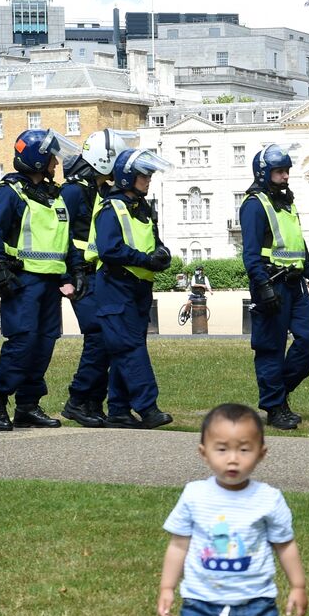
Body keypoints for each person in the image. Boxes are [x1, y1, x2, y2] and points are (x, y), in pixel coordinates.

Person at [157, 403, 308, 616]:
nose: (233, 460)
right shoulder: (194, 495)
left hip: (256, 607)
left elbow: (285, 545)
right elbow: (179, 545)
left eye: (244, 449)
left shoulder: (269, 500)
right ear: (204, 452)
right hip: (200, 607)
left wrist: (297, 585)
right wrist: (167, 586)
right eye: (221, 449)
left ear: (261, 453)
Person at [0, 128, 82, 431]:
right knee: (22, 344)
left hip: (50, 284)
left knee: (44, 344)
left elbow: (67, 240)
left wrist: (75, 270)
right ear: (37, 161)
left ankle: (27, 405)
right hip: (22, 281)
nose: (56, 162)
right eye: (51, 157)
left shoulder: (55, 196)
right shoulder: (10, 192)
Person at [240, 144, 309, 431]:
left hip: (295, 283)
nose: (286, 176)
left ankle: (281, 390)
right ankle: (274, 407)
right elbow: (250, 253)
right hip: (271, 283)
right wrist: (262, 285)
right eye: (279, 172)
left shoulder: (287, 203)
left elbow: (298, 245)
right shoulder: (254, 204)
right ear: (264, 173)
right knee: (270, 348)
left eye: (287, 171)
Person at [90, 149, 175, 428]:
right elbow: (109, 249)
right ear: (128, 176)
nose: (148, 180)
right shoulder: (111, 208)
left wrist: (161, 255)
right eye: (143, 175)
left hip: (139, 288)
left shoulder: (142, 209)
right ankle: (147, 407)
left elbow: (153, 242)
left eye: (149, 175)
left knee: (124, 350)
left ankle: (118, 410)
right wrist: (146, 260)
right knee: (130, 348)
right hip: (116, 286)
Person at [59, 129, 137, 428]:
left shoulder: (101, 191)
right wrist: (67, 275)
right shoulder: (74, 192)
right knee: (98, 337)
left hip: (97, 275)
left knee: (106, 338)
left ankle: (92, 401)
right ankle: (78, 400)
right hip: (80, 277)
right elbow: (60, 236)